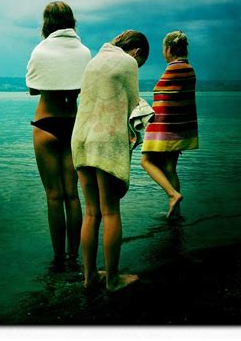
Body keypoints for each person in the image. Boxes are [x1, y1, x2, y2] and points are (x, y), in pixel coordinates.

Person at [71, 30, 149, 291]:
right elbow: (133, 106)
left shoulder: (94, 61)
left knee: (91, 212)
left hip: (81, 138)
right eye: (141, 62)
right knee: (110, 210)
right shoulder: (127, 64)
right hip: (105, 142)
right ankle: (113, 279)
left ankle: (89, 276)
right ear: (137, 52)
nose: (138, 65)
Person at [26, 1, 91, 268]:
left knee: (53, 196)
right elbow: (82, 88)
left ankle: (58, 259)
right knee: (72, 195)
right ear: (71, 21)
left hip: (46, 124)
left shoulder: (40, 51)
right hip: (74, 124)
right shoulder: (85, 52)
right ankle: (75, 257)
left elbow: (33, 88)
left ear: (47, 24)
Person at [141, 31, 198, 218]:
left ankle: (173, 195)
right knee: (170, 168)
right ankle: (176, 213)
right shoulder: (189, 69)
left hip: (165, 130)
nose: (163, 53)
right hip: (180, 129)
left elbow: (163, 100)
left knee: (146, 161)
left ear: (168, 49)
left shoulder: (174, 68)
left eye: (164, 49)